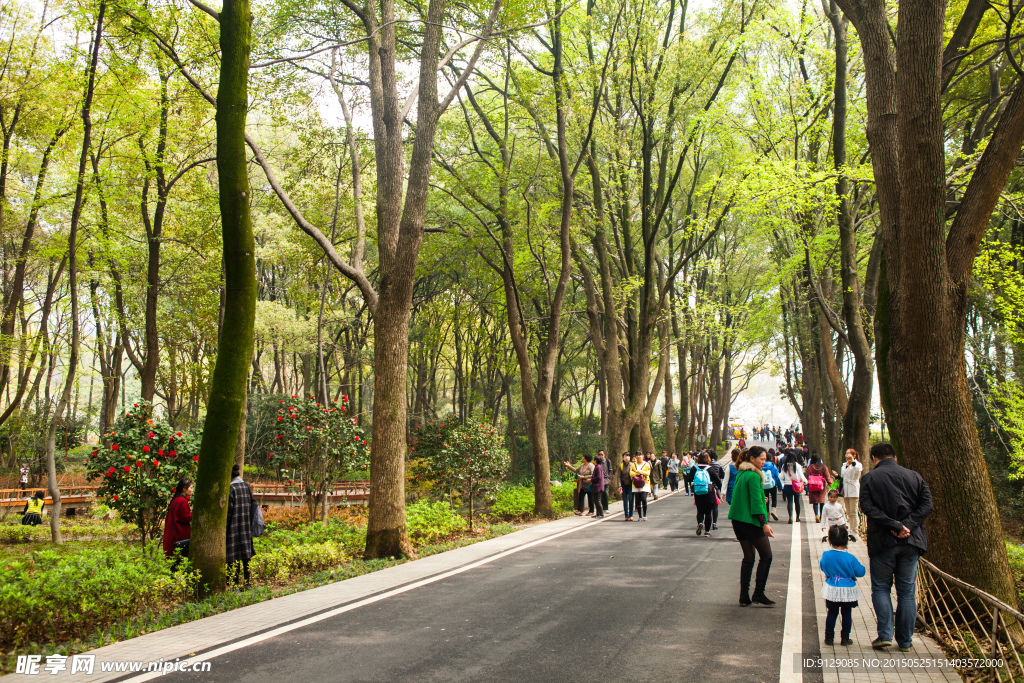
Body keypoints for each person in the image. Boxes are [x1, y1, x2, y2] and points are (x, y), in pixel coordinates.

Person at [860, 443, 932, 652]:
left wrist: (895, 525)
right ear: (895, 457)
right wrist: (907, 525)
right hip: (911, 541)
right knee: (907, 592)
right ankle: (905, 640)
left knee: (881, 587)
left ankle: (884, 635)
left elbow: (867, 506)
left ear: (874, 458)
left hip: (883, 541)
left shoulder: (870, 478)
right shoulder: (914, 476)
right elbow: (927, 505)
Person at [728, 446, 776, 606]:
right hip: (751, 522)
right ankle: (758, 593)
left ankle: (743, 597)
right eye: (761, 459)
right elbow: (756, 504)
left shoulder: (742, 473)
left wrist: (763, 499)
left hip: (738, 521)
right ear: (752, 459)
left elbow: (746, 497)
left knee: (748, 558)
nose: (764, 462)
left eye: (765, 459)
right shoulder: (755, 476)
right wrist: (764, 525)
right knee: (767, 556)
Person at [820, 525, 865, 646]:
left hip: (832, 588)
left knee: (832, 612)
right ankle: (845, 638)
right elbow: (860, 572)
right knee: (846, 613)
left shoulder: (826, 555)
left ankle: (829, 637)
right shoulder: (850, 558)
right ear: (847, 540)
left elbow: (823, 566)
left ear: (829, 540)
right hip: (847, 589)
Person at [226, 464, 256, 587]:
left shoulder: (231, 489)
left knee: (234, 556)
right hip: (246, 525)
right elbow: (253, 504)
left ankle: (233, 583)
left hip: (234, 527)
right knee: (246, 556)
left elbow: (228, 511)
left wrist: (225, 529)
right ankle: (247, 583)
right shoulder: (246, 486)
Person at [686, 453, 722, 537]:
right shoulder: (710, 468)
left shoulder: (694, 468)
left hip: (698, 492)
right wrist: (721, 491)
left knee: (700, 510)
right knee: (708, 512)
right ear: (708, 459)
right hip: (709, 492)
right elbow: (718, 481)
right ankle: (707, 531)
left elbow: (689, 479)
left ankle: (700, 523)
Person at [163, 478, 193, 567]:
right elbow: (185, 517)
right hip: (180, 536)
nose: (192, 490)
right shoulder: (181, 501)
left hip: (175, 536)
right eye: (190, 488)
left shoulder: (176, 500)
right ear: (184, 489)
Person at [779, 451, 807, 524]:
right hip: (797, 486)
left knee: (790, 501)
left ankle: (790, 516)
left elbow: (781, 476)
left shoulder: (784, 466)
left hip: (787, 485)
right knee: (797, 501)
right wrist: (805, 481)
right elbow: (801, 475)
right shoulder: (797, 465)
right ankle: (797, 517)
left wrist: (782, 484)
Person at [840, 449, 864, 532]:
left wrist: (853, 461)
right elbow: (843, 476)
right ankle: (851, 528)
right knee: (849, 511)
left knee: (853, 511)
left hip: (853, 489)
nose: (847, 455)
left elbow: (857, 471)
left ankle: (855, 530)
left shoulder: (858, 464)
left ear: (854, 455)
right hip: (846, 489)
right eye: (846, 453)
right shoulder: (844, 465)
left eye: (849, 454)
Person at [806, 453, 832, 522]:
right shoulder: (823, 467)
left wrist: (807, 487)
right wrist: (831, 485)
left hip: (812, 485)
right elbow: (827, 477)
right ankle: (821, 516)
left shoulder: (810, 467)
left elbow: (808, 476)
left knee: (815, 502)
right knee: (822, 502)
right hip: (821, 486)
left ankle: (816, 515)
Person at [629, 451, 652, 521]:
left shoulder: (646, 464)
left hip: (645, 484)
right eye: (637, 455)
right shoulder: (633, 465)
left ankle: (645, 514)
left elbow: (648, 473)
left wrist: (639, 472)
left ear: (643, 456)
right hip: (636, 484)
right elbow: (631, 473)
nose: (638, 456)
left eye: (640, 455)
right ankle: (640, 516)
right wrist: (636, 473)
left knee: (643, 498)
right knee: (637, 500)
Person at [707, 450, 724, 529]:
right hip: (716, 487)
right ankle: (714, 523)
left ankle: (707, 523)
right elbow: (722, 475)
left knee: (707, 507)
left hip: (706, 487)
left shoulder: (705, 465)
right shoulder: (718, 464)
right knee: (715, 506)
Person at [761, 455, 782, 521]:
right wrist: (780, 486)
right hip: (773, 484)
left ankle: (767, 515)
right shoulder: (773, 465)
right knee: (774, 498)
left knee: (766, 499)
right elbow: (777, 476)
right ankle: (773, 510)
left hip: (764, 485)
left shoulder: (761, 465)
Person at [619, 453, 634, 521]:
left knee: (631, 499)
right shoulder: (621, 466)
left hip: (631, 485)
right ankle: (626, 515)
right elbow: (618, 477)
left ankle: (631, 515)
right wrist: (619, 486)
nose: (627, 458)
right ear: (623, 458)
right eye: (625, 456)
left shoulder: (633, 465)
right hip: (623, 485)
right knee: (625, 500)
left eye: (628, 456)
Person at [590, 453, 605, 518]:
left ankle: (601, 514)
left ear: (595, 461)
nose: (593, 461)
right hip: (596, 486)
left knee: (598, 500)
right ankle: (598, 513)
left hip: (598, 486)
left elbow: (598, 477)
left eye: (593, 460)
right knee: (596, 500)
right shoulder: (597, 467)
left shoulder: (598, 467)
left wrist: (591, 479)